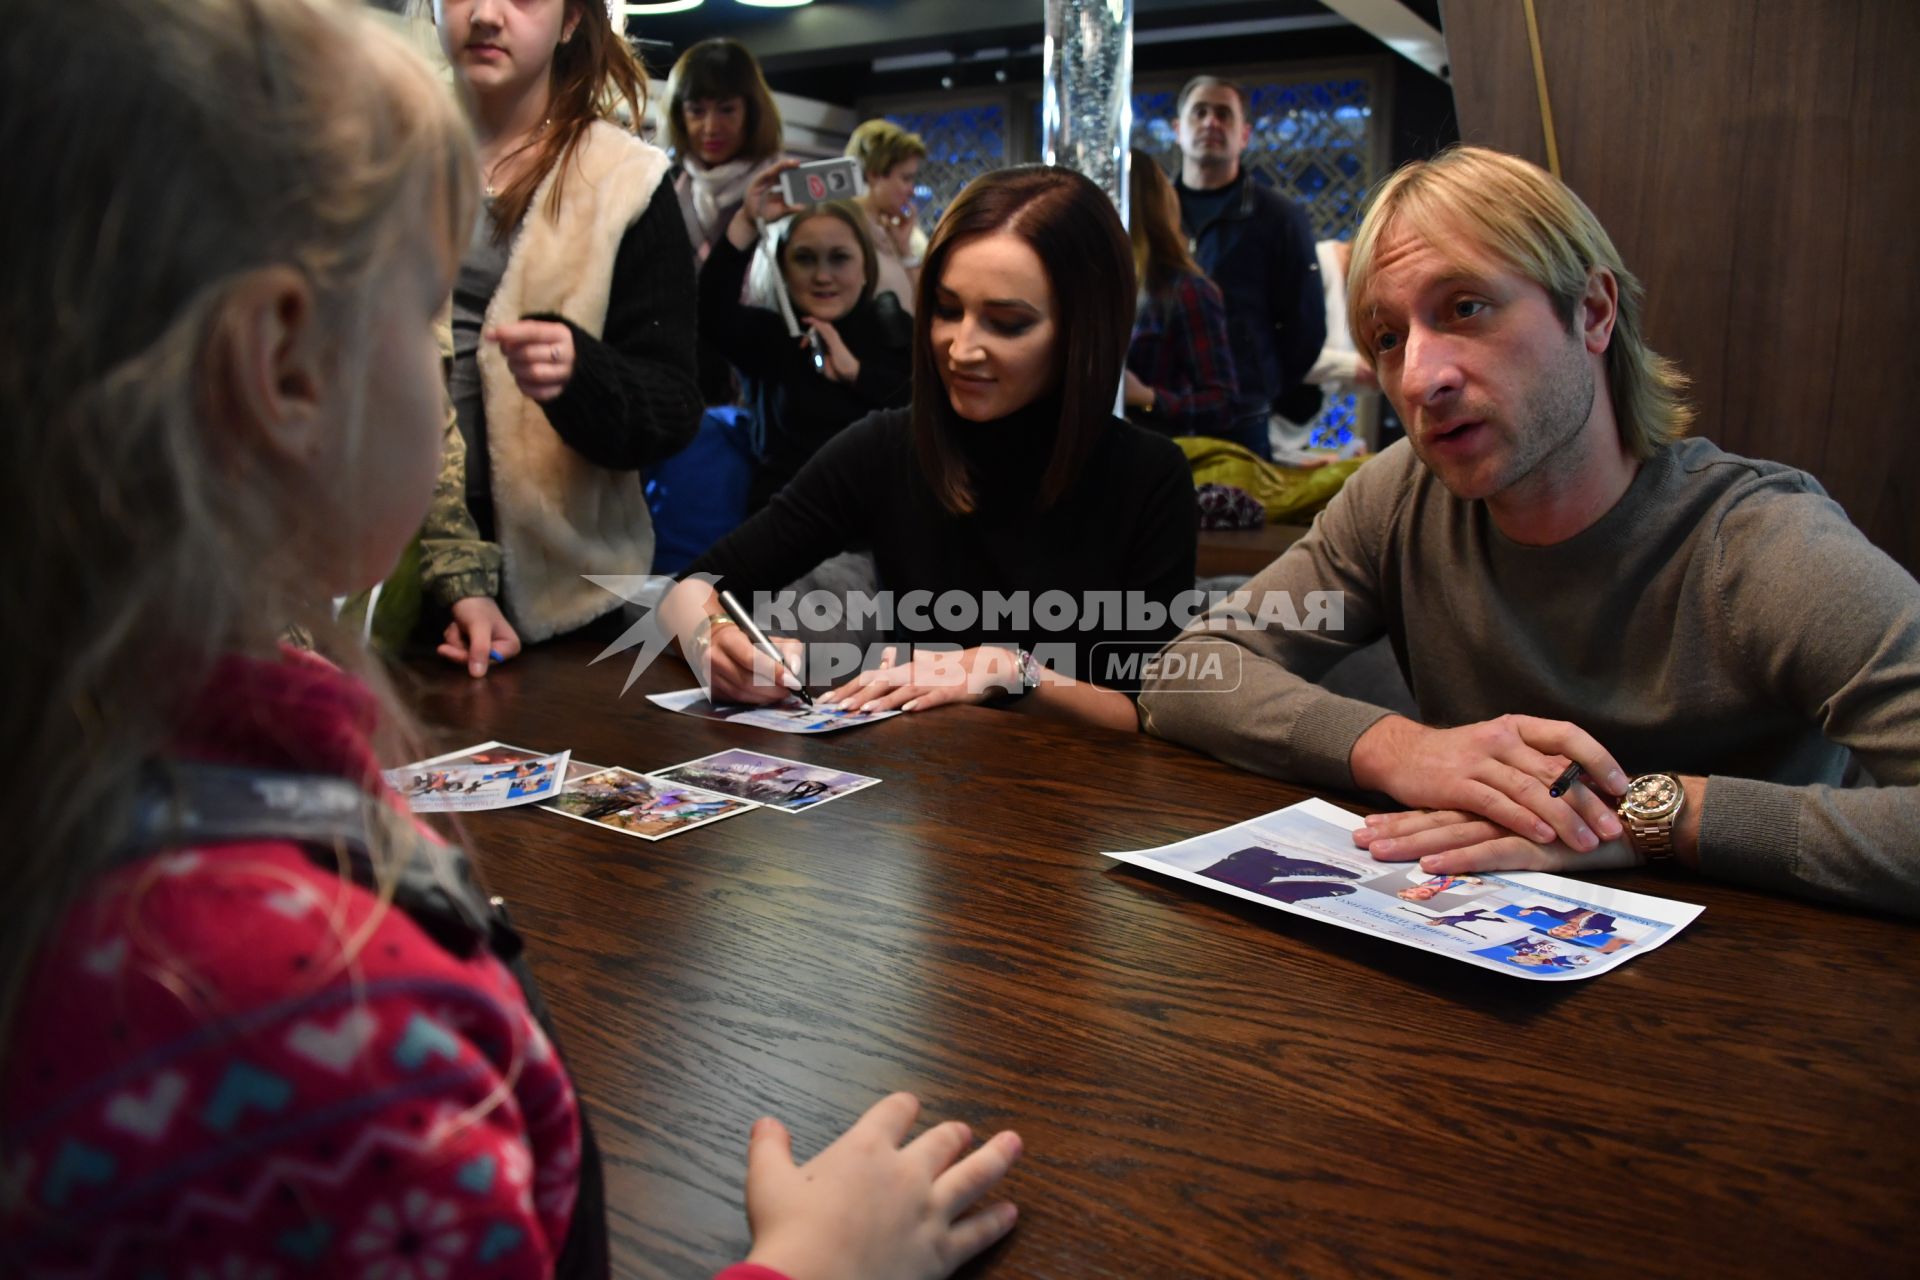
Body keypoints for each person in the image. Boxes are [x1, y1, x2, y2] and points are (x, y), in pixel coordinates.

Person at [0, 1, 1023, 1275]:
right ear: (284, 367)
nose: (450, 373)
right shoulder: (309, 1014)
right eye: (422, 313)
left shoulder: (135, 750)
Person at [1138, 145, 1920, 916]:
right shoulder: (1397, 496)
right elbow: (1191, 672)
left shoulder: (1761, 544)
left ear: (1593, 312)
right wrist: (1404, 750)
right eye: (1388, 337)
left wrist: (1651, 817)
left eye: (1465, 308)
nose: (1419, 376)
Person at [663, 166, 1199, 732]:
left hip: (1081, 801)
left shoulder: (1148, 476)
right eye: (946, 310)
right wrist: (712, 641)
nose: (961, 348)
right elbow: (689, 588)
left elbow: (1146, 712)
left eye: (1007, 323)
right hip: (920, 790)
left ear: (1083, 331)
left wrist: (1006, 670)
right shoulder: (888, 446)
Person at [426, 0, 704, 673]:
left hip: (567, 587)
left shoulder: (624, 181)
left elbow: (672, 404)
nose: (487, 15)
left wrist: (583, 376)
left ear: (574, 19)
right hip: (389, 549)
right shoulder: (375, 144)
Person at [700, 174, 913, 510]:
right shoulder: (767, 336)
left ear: (865, 268)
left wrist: (859, 374)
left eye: (839, 258)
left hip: (878, 531)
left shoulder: (893, 329)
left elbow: (926, 411)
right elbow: (709, 311)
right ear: (783, 269)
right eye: (805, 259)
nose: (822, 276)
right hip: (785, 528)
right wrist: (746, 221)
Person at [1172, 75, 1326, 458]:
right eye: (1200, 112)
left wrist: (1261, 386)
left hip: (1241, 415)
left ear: (1244, 135)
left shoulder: (1279, 217)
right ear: (1178, 130)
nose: (1210, 122)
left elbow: (1305, 326)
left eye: (1224, 114)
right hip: (1160, 408)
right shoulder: (1150, 213)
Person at [664, 37, 789, 405]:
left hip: (764, 383)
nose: (710, 127)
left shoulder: (781, 189)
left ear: (751, 112)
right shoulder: (664, 187)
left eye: (726, 109)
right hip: (682, 378)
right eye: (696, 110)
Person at [1122, 149, 1240, 440]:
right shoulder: (1089, 284)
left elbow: (1223, 404)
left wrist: (1148, 397)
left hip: (1151, 459)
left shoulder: (1186, 291)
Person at [845, 118, 932, 313]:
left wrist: (905, 250)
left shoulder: (899, 232)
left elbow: (924, 309)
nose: (911, 190)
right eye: (905, 178)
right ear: (874, 175)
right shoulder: (844, 232)